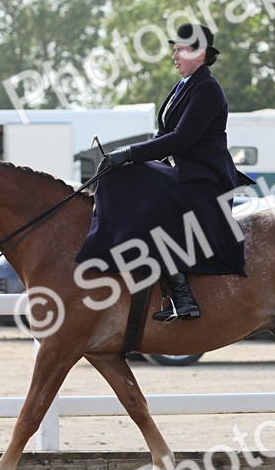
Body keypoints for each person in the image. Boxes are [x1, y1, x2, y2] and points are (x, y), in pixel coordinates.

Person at [76, 22, 255, 321]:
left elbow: (182, 139)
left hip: (205, 178)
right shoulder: (183, 86)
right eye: (174, 50)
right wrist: (126, 158)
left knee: (142, 188)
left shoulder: (208, 88)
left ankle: (182, 293)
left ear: (200, 54)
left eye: (180, 50)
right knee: (119, 173)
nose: (174, 57)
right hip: (184, 171)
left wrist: (130, 154)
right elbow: (162, 136)